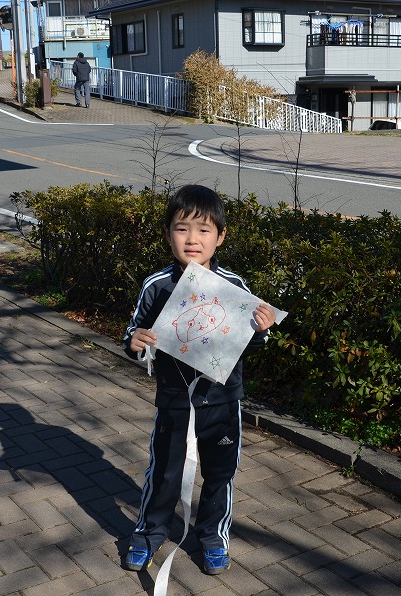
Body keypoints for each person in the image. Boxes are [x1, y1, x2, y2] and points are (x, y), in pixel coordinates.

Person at [122, 185, 277, 576]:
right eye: (181, 229)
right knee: (164, 471)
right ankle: (148, 533)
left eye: (204, 230)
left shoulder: (234, 287)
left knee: (220, 472)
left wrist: (261, 329)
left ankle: (212, 537)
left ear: (220, 236)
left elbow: (253, 341)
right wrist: (135, 342)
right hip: (174, 401)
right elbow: (133, 334)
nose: (192, 239)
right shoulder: (156, 285)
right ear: (168, 233)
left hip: (222, 401)